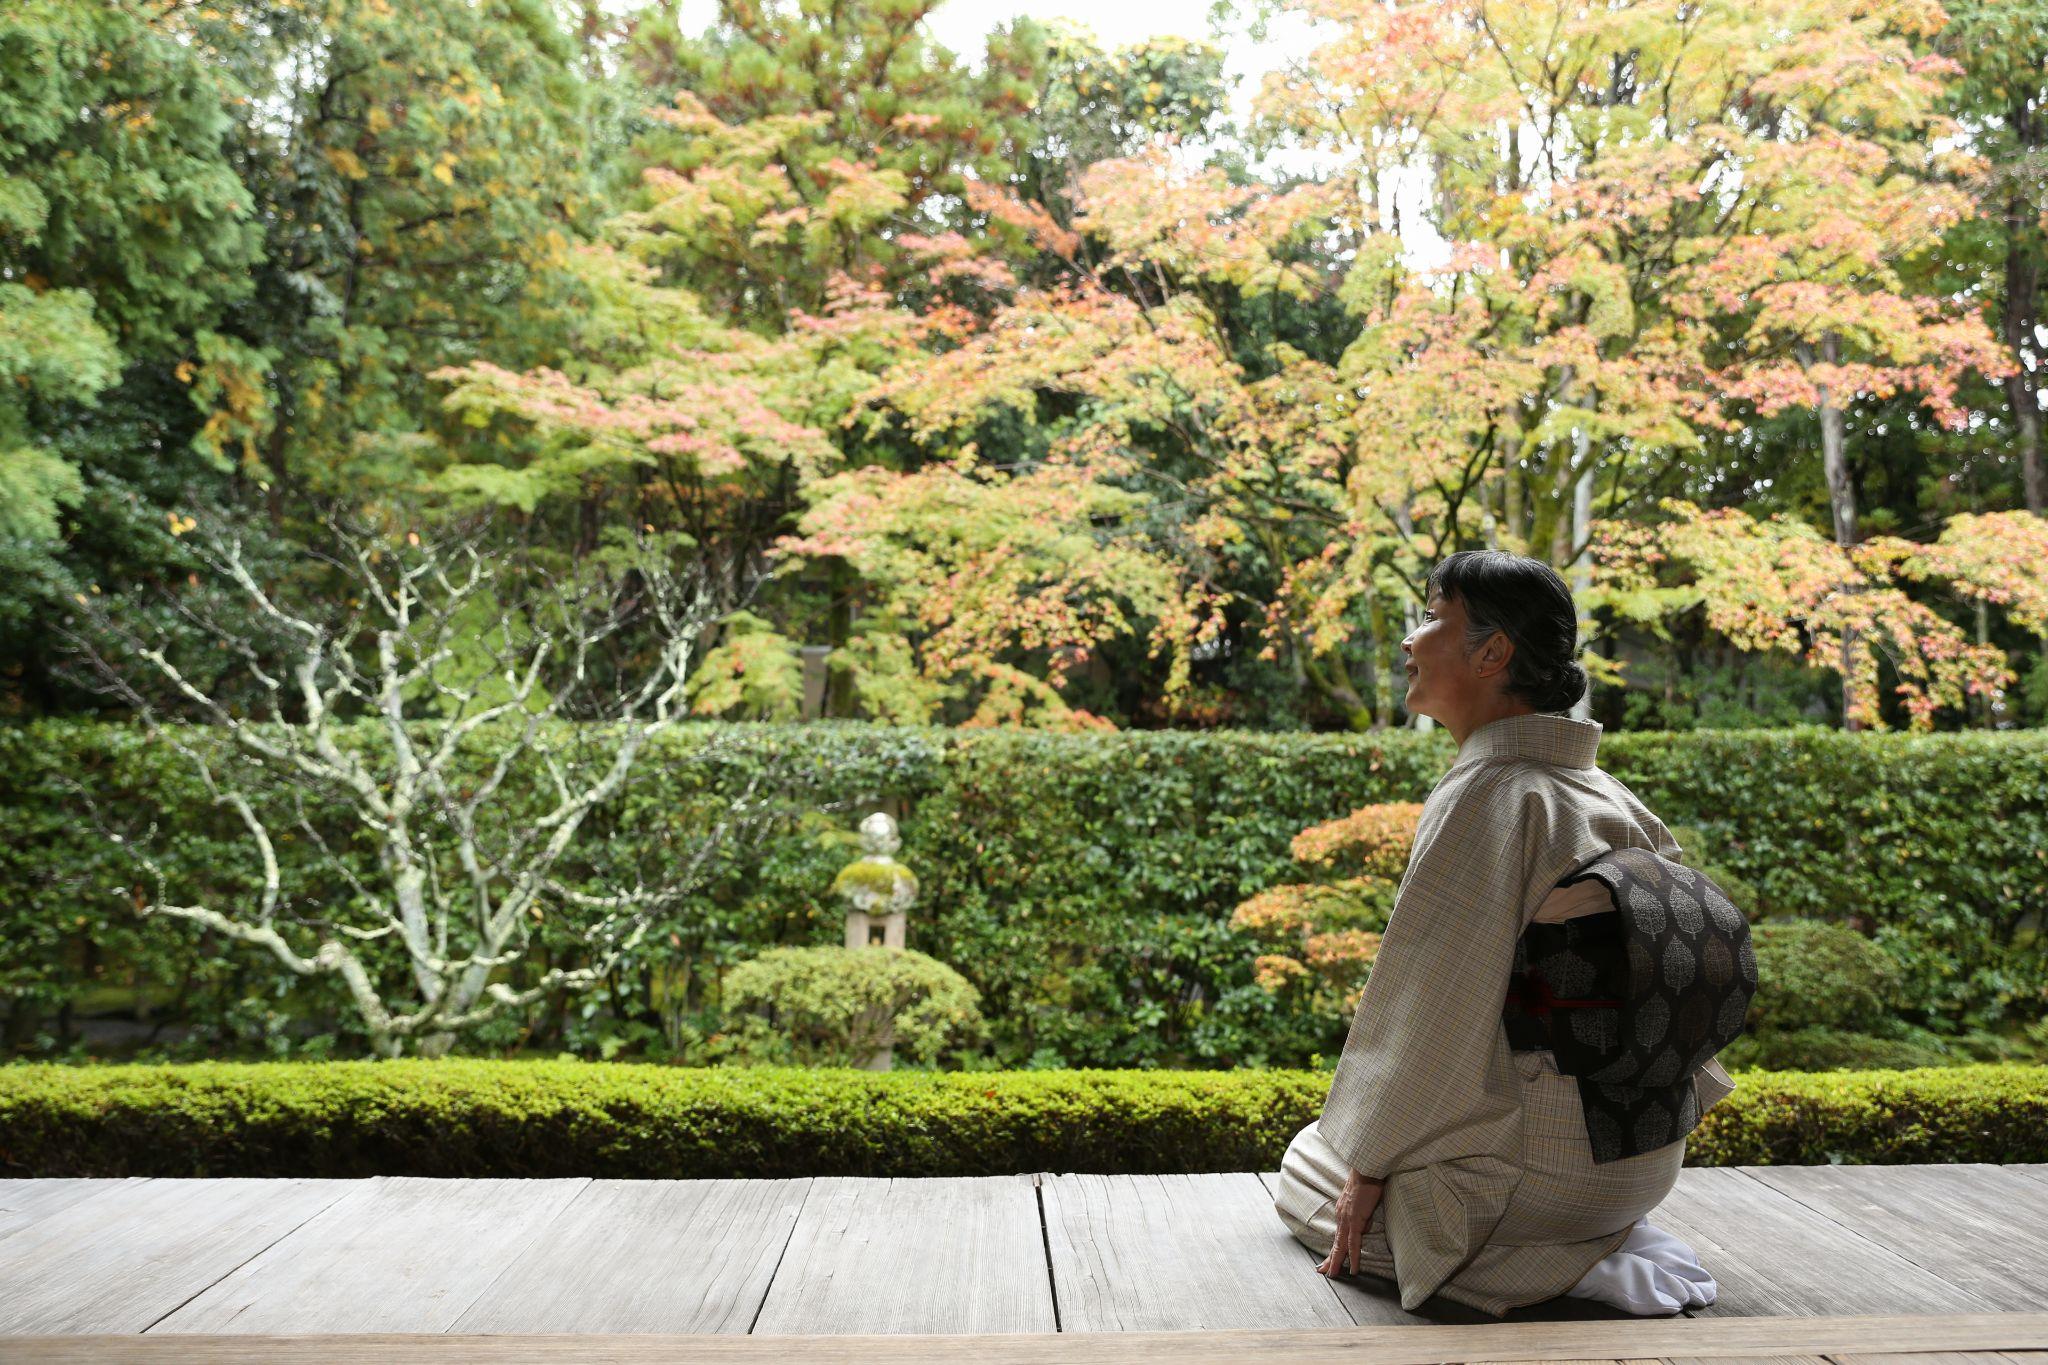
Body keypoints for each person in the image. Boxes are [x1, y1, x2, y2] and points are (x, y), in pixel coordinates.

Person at [1271, 550, 1734, 1318]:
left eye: (1431, 617)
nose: (1410, 641)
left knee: (1307, 1165)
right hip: (1643, 1156)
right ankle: (1611, 1232)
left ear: (1493, 652)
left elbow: (1429, 1014)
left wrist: (1372, 1165)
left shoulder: (1492, 791)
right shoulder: (1604, 791)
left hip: (1539, 1177)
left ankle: (1559, 1264)